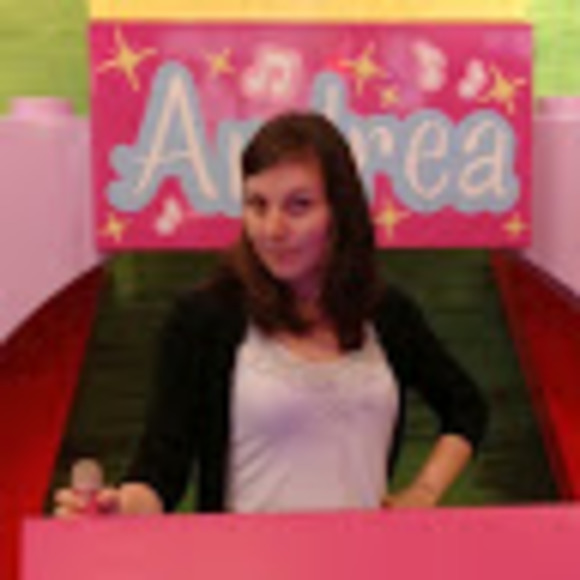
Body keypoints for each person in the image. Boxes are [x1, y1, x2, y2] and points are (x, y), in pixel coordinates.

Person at [54, 110, 487, 517]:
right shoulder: (203, 319)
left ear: (340, 211)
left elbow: (466, 408)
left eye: (299, 205)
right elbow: (160, 470)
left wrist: (424, 491)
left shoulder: (388, 313)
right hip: (242, 561)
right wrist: (119, 507)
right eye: (257, 205)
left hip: (367, 559)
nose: (273, 228)